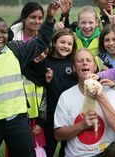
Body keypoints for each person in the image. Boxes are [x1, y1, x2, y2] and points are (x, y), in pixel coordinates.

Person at [0, 1, 59, 157]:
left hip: (17, 120)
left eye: (3, 32)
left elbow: (41, 41)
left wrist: (49, 18)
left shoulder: (16, 50)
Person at [54, 48, 115, 156]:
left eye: (88, 60)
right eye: (80, 61)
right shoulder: (66, 96)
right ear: (74, 68)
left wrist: (100, 98)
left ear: (95, 67)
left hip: (106, 153)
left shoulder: (111, 93)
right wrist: (81, 125)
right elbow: (58, 135)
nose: (85, 63)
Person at [42, 28, 78, 157]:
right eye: (62, 42)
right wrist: (46, 80)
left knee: (67, 149)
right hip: (51, 113)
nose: (66, 46)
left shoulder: (74, 63)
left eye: (69, 44)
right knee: (48, 148)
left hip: (70, 114)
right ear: (54, 43)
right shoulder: (46, 61)